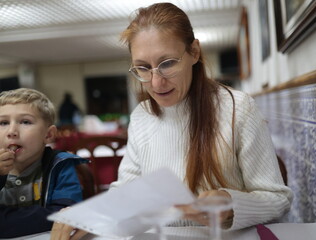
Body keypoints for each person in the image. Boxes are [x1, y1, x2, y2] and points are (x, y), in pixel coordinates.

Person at [51, 2, 293, 239]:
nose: (156, 83)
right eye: (143, 68)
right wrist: (91, 215)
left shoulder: (238, 108)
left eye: (167, 64)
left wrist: (231, 205)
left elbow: (277, 199)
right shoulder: (142, 115)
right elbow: (128, 191)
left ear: (194, 52)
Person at [0, 88, 88, 238]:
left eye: (25, 122)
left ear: (48, 135)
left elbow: (65, 214)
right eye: (3, 123)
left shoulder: (60, 165)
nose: (12, 131)